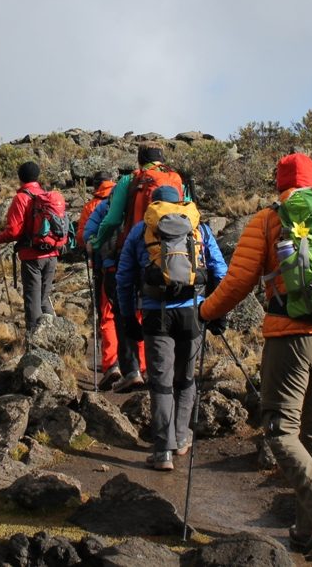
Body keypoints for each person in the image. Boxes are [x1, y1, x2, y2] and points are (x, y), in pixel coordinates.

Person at [198, 153, 312, 559]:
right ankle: (309, 532)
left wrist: (206, 311)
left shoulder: (269, 220)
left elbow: (238, 282)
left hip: (291, 337)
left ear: (279, 181)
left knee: (279, 429)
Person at [115, 185, 227, 471]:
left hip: (155, 314)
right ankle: (180, 438)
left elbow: (124, 278)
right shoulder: (197, 228)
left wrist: (128, 318)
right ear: (179, 202)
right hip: (194, 310)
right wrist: (217, 312)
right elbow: (220, 272)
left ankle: (163, 450)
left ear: (154, 205)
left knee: (161, 382)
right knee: (186, 377)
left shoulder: (142, 230)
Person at [92, 142, 182, 392]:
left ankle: (132, 371)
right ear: (162, 158)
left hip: (135, 251)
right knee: (164, 309)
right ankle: (160, 370)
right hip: (172, 253)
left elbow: (112, 219)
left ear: (140, 159)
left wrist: (97, 242)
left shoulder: (130, 181)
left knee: (124, 310)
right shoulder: (176, 179)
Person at [0, 161, 60, 331]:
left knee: (33, 300)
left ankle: (34, 342)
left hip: (32, 257)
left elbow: (14, 231)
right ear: (37, 176)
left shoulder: (21, 198)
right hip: (52, 253)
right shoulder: (46, 196)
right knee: (44, 298)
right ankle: (54, 336)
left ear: (20, 178)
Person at [79, 172, 121, 386]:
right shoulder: (129, 200)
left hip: (104, 267)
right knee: (135, 313)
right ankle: (139, 365)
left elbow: (82, 237)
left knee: (107, 314)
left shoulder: (93, 206)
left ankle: (112, 363)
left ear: (96, 185)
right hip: (130, 267)